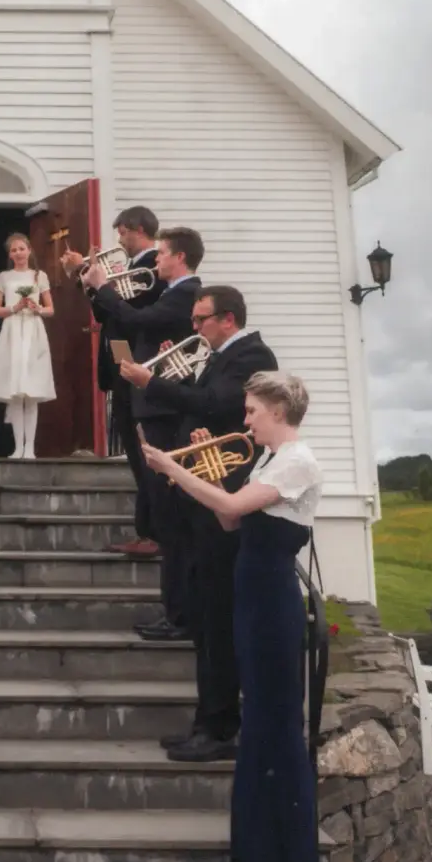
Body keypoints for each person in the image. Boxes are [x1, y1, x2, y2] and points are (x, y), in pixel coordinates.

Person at [141, 372, 323, 862]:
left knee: (274, 729)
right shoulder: (268, 460)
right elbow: (227, 518)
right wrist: (203, 465)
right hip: (251, 596)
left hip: (272, 604)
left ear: (278, 410)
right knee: (259, 729)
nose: (245, 421)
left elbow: (236, 507)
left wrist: (174, 468)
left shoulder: (297, 461)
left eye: (251, 412)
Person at [120, 285, 278, 761]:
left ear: (227, 319)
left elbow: (214, 403)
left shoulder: (251, 355)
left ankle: (220, 727)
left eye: (200, 319)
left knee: (218, 621)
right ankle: (206, 721)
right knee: (205, 619)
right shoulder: (220, 355)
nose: (194, 327)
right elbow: (204, 402)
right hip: (200, 499)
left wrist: (152, 382)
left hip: (222, 502)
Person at [83, 226, 203, 640]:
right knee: (162, 507)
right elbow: (126, 320)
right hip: (146, 397)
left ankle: (179, 614)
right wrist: (98, 289)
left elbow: (136, 319)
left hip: (161, 406)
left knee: (170, 516)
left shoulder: (184, 294)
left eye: (163, 253)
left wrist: (103, 286)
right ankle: (174, 611)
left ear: (179, 257)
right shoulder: (172, 291)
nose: (157, 259)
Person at [61, 205, 161, 550]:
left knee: (140, 449)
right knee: (132, 448)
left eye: (123, 232)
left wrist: (92, 272)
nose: (119, 240)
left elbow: (129, 312)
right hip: (120, 355)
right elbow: (105, 312)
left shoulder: (151, 265)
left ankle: (152, 532)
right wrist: (88, 282)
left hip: (135, 356)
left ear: (139, 230)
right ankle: (145, 530)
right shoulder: (132, 266)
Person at [0, 233, 56, 459]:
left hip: (33, 331)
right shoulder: (4, 277)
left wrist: (37, 308)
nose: (18, 253)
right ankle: (18, 447)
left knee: (31, 391)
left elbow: (50, 309)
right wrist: (14, 308)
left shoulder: (39, 275)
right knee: (15, 392)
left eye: (21, 249)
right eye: (14, 250)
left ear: (29, 250)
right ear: (10, 254)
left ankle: (30, 447)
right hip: (13, 331)